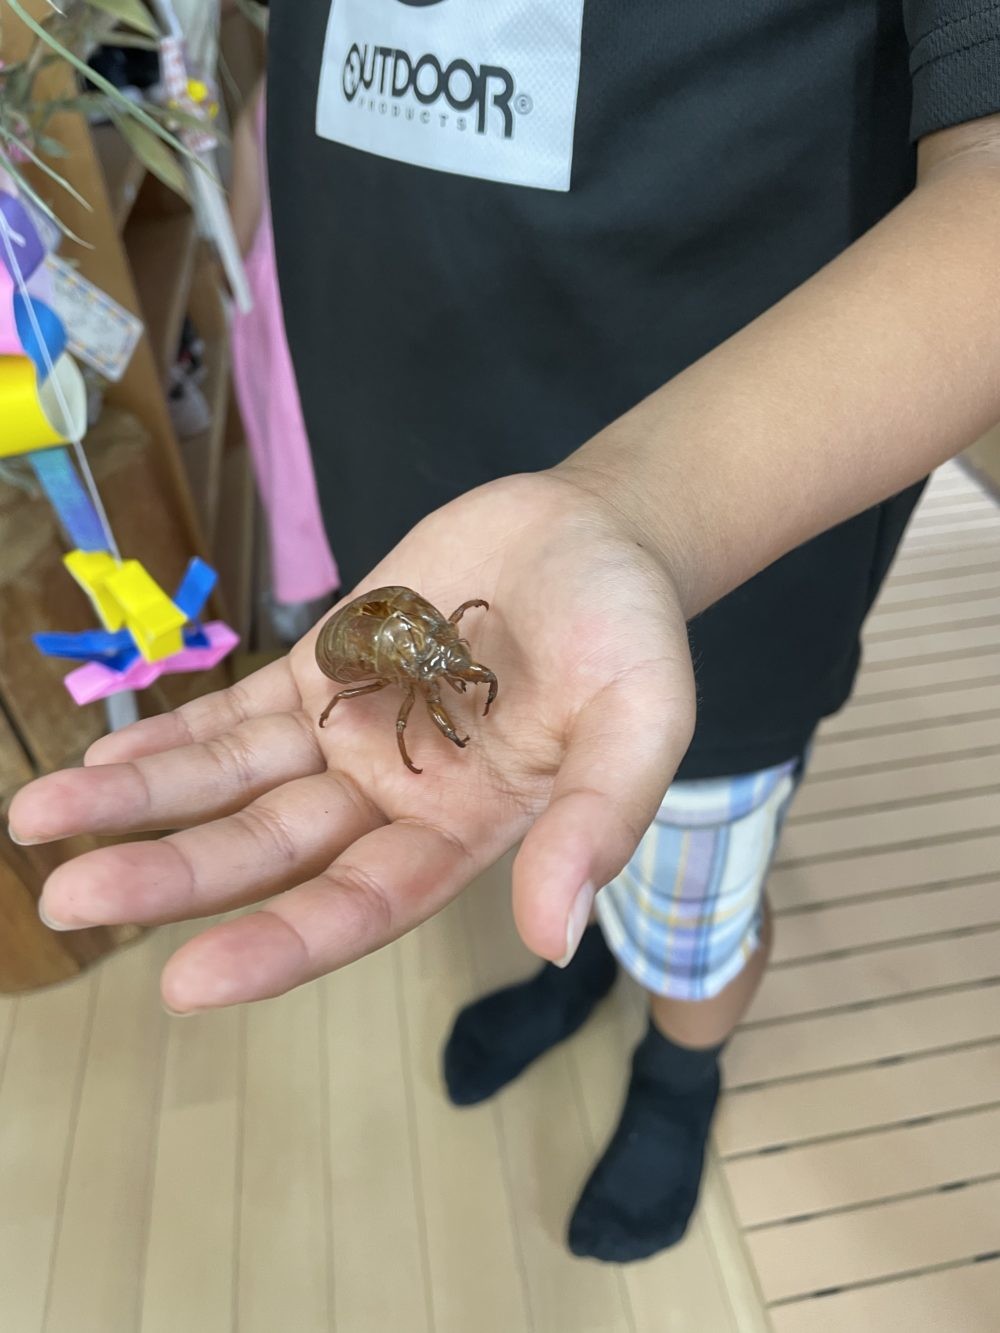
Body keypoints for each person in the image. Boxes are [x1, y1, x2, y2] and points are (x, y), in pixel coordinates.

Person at [10, 1, 1000, 1264]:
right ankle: (574, 962)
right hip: (409, 480)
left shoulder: (470, 657)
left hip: (729, 538)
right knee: (541, 840)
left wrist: (632, 513)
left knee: (689, 889)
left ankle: (680, 1065)